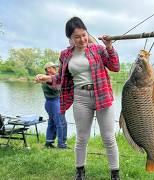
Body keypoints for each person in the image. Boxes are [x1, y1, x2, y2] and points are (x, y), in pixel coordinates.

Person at [35, 17, 120, 180]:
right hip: (81, 98)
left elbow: (115, 66)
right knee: (82, 137)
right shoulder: (65, 54)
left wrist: (109, 47)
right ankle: (80, 173)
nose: (82, 39)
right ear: (70, 38)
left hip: (103, 95)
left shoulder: (98, 49)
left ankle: (115, 173)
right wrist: (46, 78)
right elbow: (60, 78)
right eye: (77, 37)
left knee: (108, 137)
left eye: (84, 35)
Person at [41, 62, 68, 149]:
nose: (56, 69)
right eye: (53, 67)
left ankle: (49, 142)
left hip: (50, 103)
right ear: (48, 69)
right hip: (54, 103)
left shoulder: (48, 78)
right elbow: (57, 88)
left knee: (52, 122)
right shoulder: (48, 79)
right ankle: (61, 144)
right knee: (60, 123)